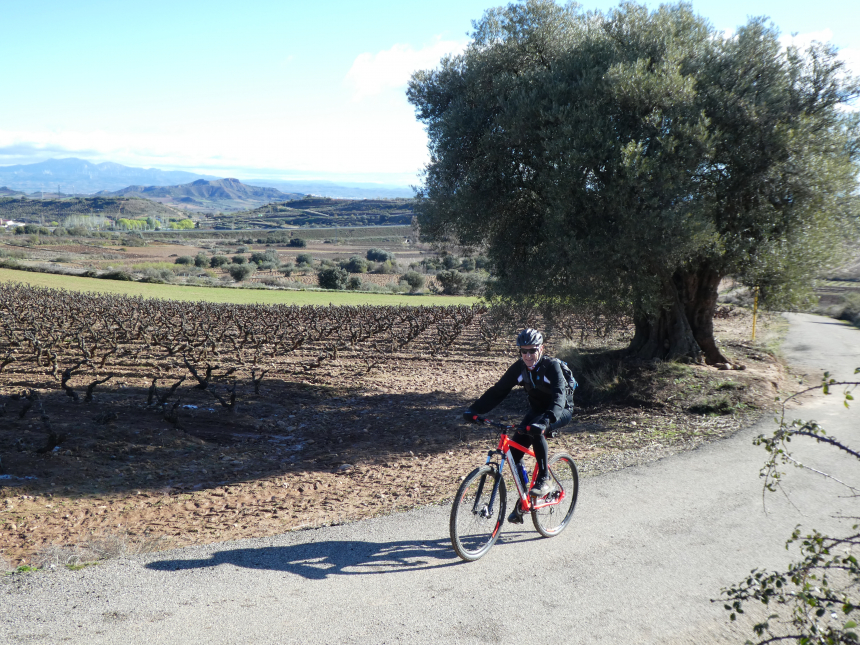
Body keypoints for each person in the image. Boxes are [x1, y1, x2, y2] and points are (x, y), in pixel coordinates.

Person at [462, 328, 573, 524]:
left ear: (541, 349)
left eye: (532, 350)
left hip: (560, 410)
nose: (528, 355)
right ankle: (524, 501)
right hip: (537, 410)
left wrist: (546, 421)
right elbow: (498, 391)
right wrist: (474, 410)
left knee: (537, 431)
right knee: (513, 454)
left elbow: (559, 397)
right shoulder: (520, 368)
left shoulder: (551, 367)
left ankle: (544, 479)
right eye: (524, 351)